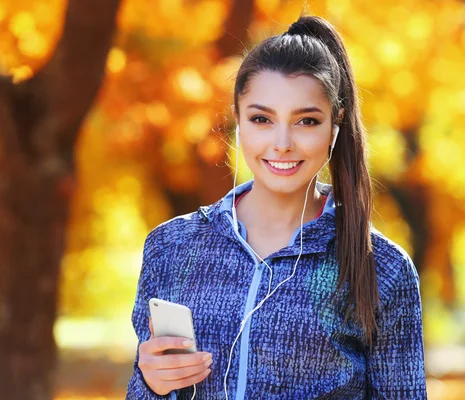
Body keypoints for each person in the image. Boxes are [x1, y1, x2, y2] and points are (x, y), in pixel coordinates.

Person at [126, 15, 427, 400]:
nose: (282, 143)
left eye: (306, 121)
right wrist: (150, 384)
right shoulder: (171, 247)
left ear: (334, 129)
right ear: (238, 121)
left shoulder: (382, 268)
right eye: (262, 119)